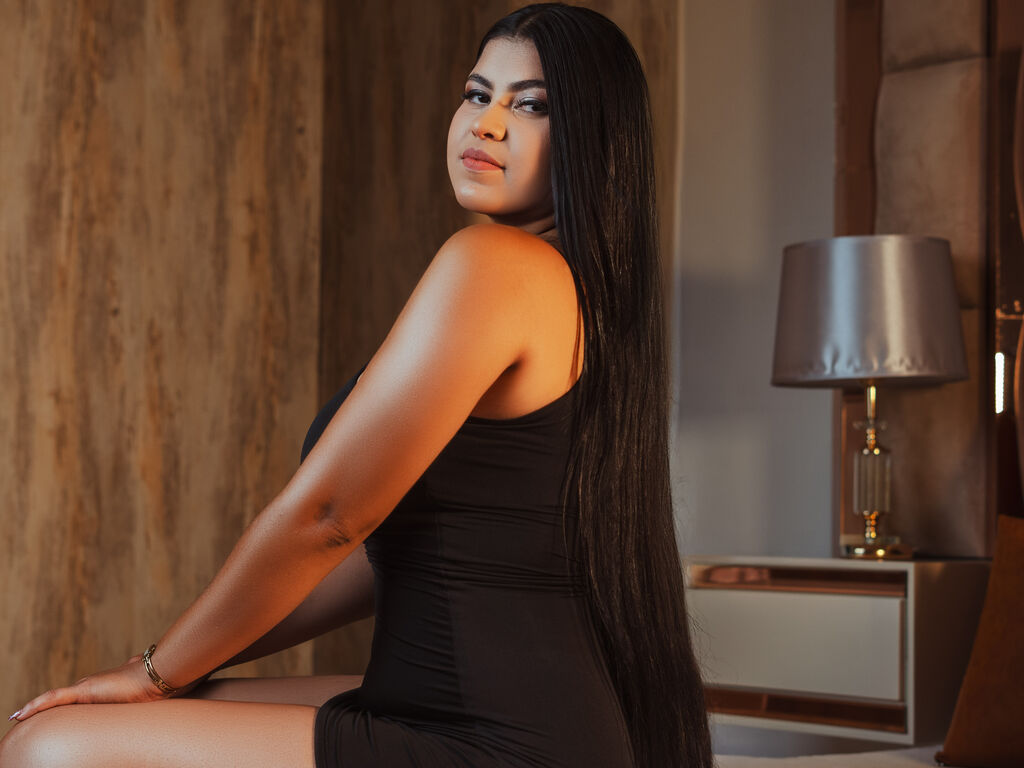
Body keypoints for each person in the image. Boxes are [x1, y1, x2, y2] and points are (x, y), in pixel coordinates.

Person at [0, 3, 713, 767]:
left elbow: (329, 516)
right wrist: (164, 670)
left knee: (51, 747)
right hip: (513, 720)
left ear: (594, 140)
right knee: (156, 710)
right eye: (477, 94)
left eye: (531, 105)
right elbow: (377, 553)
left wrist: (151, 672)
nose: (487, 123)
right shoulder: (584, 294)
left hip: (500, 740)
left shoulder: (498, 266)